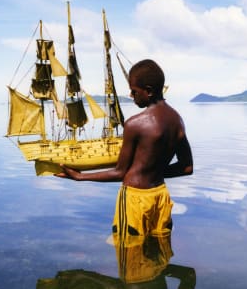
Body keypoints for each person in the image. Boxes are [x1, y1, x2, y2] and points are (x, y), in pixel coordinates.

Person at [57, 59, 193, 236]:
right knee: (159, 252)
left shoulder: (135, 124)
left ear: (149, 91)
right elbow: (187, 167)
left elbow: (120, 173)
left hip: (135, 200)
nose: (131, 95)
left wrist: (80, 176)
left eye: (134, 91)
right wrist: (155, 172)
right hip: (160, 196)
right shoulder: (177, 120)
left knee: (128, 253)